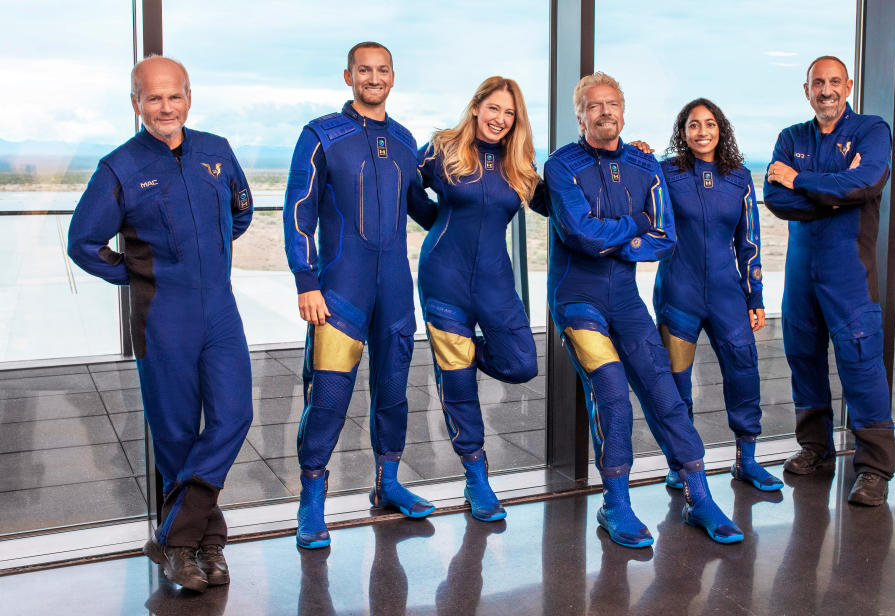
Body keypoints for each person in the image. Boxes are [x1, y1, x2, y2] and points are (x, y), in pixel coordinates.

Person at [67, 56, 254, 592]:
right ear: (136, 104)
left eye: (174, 96)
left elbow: (240, 211)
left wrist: (211, 256)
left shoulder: (217, 151)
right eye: (153, 98)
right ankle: (204, 544)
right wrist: (138, 272)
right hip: (161, 313)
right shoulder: (119, 168)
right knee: (174, 433)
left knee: (233, 415)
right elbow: (83, 242)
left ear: (189, 98)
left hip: (219, 308)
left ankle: (172, 537)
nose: (165, 107)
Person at [543, 72, 743, 546]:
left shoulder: (645, 165)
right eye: (595, 105)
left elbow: (664, 236)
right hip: (577, 301)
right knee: (611, 392)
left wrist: (613, 239)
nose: (605, 111)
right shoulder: (561, 165)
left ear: (623, 110)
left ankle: (700, 497)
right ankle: (615, 504)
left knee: (665, 393)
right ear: (581, 115)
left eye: (612, 103)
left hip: (626, 302)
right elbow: (580, 233)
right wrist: (632, 226)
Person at [282, 42, 437, 549]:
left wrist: (474, 201)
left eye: (383, 70)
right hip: (339, 291)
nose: (374, 78)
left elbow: (423, 207)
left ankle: (387, 483)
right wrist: (306, 281)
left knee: (393, 392)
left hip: (394, 289)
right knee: (327, 397)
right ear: (348, 76)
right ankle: (311, 499)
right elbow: (298, 210)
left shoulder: (406, 138)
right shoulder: (322, 134)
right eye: (364, 70)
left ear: (393, 76)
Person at [764, 56, 895, 506]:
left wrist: (801, 179)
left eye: (834, 82)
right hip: (802, 272)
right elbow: (775, 199)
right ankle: (816, 448)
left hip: (849, 273)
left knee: (861, 362)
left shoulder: (872, 130)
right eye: (818, 83)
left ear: (849, 86)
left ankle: (875, 469)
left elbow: (866, 182)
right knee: (802, 355)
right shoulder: (791, 136)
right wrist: (836, 193)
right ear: (806, 90)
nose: (826, 90)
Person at [417, 77, 544, 521]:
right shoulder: (443, 149)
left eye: (509, 113)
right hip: (443, 277)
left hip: (495, 283)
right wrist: (439, 225)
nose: (500, 119)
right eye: (493, 109)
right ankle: (477, 478)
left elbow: (557, 199)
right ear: (475, 108)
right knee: (458, 384)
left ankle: (459, 357)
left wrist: (634, 155)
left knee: (523, 362)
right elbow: (413, 195)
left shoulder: (519, 162)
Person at [653, 98, 783, 492]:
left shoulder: (739, 177)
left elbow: (750, 242)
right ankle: (681, 462)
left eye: (709, 124)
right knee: (676, 383)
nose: (702, 132)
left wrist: (755, 295)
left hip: (728, 295)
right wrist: (637, 149)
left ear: (720, 129)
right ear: (683, 132)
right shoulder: (666, 172)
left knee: (744, 373)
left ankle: (747, 459)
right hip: (678, 292)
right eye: (694, 125)